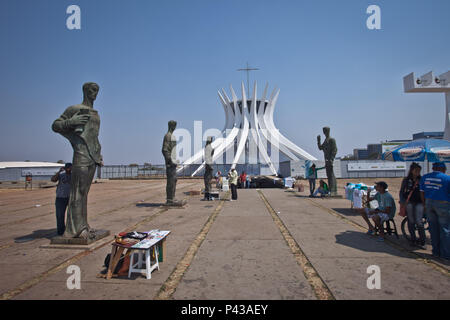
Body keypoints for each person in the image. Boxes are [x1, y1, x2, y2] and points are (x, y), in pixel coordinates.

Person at [420, 162, 450, 259]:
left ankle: (436, 252)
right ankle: (446, 254)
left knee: (433, 229)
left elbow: (422, 193)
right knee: (445, 230)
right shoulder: (447, 178)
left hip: (429, 203)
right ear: (441, 168)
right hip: (443, 204)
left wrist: (424, 204)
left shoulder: (425, 177)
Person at [400, 162, 425, 247]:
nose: (418, 172)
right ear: (411, 170)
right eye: (416, 170)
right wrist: (402, 202)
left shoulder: (422, 179)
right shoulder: (406, 180)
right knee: (411, 221)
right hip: (409, 202)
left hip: (419, 203)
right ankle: (413, 239)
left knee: (419, 221)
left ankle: (422, 240)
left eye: (419, 170)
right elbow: (401, 192)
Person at [51, 163, 72, 236]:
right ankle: (60, 231)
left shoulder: (74, 176)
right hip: (60, 197)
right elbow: (53, 179)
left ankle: (71, 229)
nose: (68, 170)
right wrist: (59, 172)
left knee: (72, 215)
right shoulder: (61, 175)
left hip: (70, 198)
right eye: (67, 168)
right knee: (60, 215)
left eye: (70, 168)